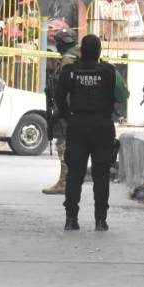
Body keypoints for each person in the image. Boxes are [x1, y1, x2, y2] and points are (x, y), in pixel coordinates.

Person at [54, 34, 123, 232]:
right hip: (102, 126)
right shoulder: (109, 72)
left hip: (78, 125)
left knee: (75, 174)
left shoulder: (70, 71)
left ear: (81, 51)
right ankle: (100, 220)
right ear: (99, 51)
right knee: (101, 175)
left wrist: (69, 117)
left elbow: (59, 99)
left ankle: (71, 219)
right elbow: (121, 95)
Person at [42, 28, 81, 195]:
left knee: (63, 145)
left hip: (70, 111)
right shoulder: (83, 55)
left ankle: (65, 181)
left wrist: (60, 112)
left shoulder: (67, 60)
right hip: (84, 111)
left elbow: (67, 89)